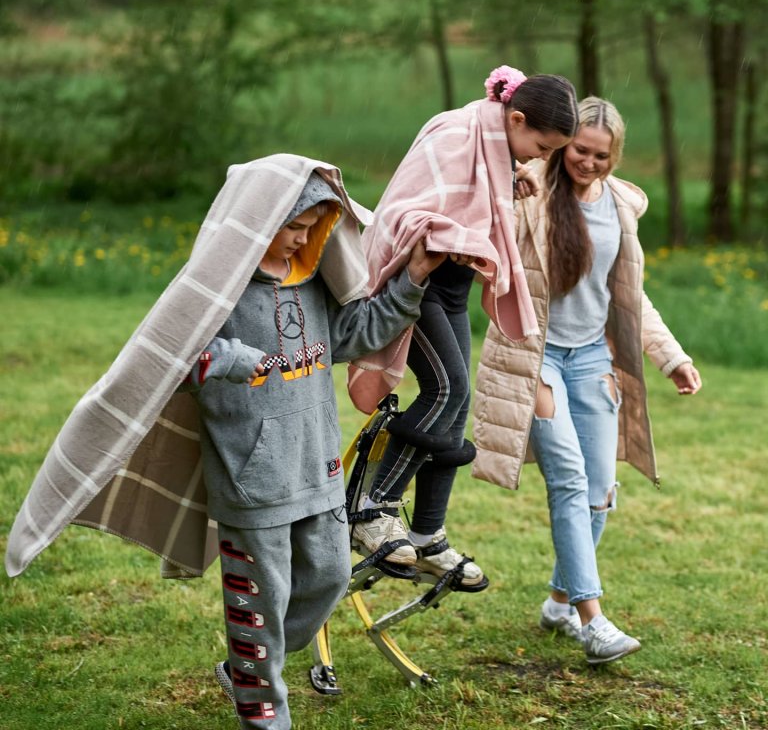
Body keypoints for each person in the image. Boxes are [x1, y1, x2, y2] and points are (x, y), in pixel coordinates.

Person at [4, 155, 445, 730]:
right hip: (251, 477)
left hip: (316, 468)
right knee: (258, 611)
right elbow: (177, 353)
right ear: (261, 220)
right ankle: (264, 709)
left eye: (312, 229)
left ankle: (246, 670)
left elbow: (355, 333)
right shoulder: (216, 291)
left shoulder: (311, 284)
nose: (302, 238)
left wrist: (412, 279)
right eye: (293, 226)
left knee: (331, 576)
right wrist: (235, 359)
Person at [471, 97, 702, 664]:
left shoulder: (620, 206)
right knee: (570, 481)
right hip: (537, 356)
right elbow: (484, 192)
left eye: (601, 155)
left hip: (593, 360)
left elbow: (628, 295)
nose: (589, 163)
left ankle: (558, 600)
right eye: (579, 150)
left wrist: (671, 357)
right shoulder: (528, 190)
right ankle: (593, 620)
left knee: (600, 496)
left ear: (615, 156)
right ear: (564, 143)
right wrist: (510, 189)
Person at [348, 66, 579, 589]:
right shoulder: (456, 132)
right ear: (515, 118)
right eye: (540, 146)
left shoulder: (496, 143)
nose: (540, 158)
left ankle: (427, 535)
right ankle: (370, 507)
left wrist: (506, 179)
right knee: (445, 389)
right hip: (415, 285)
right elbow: (407, 212)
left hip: (449, 291)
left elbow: (466, 201)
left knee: (456, 407)